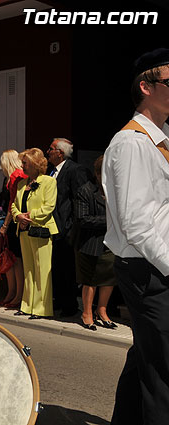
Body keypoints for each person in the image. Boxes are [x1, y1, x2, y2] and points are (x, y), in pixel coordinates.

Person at [107, 48, 169, 425]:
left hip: (153, 264)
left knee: (147, 360)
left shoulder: (158, 140)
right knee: (163, 373)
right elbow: (137, 222)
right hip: (149, 269)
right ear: (145, 87)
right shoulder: (130, 142)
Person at [12, 148, 58, 319]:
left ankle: (41, 309)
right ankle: (27, 306)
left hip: (41, 230)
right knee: (29, 270)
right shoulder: (21, 184)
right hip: (24, 230)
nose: (22, 166)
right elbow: (14, 205)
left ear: (35, 164)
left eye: (25, 163)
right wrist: (18, 216)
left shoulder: (48, 182)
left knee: (42, 270)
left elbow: (49, 206)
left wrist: (28, 216)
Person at [47, 137, 91, 317]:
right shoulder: (52, 171)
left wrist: (71, 225)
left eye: (50, 149)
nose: (47, 152)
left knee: (67, 267)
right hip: (53, 226)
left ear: (60, 153)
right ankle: (58, 300)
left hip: (66, 228)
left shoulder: (75, 170)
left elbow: (79, 198)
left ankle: (69, 305)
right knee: (56, 266)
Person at [74, 155, 117, 331]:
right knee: (90, 280)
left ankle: (102, 311)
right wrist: (110, 220)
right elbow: (83, 219)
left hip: (111, 243)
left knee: (108, 279)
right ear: (97, 174)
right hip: (90, 243)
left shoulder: (115, 190)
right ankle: (87, 313)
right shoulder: (85, 190)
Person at [0, 150, 28, 308]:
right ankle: (15, 293)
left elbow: (12, 203)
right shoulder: (17, 175)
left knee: (17, 260)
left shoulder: (15, 177)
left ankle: (17, 294)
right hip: (16, 220)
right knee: (16, 260)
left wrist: (5, 225)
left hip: (15, 221)